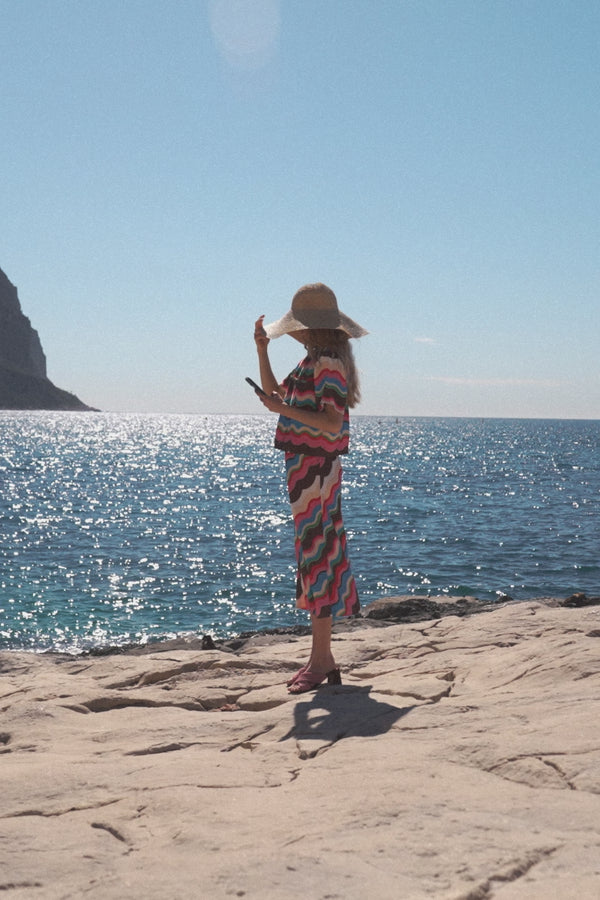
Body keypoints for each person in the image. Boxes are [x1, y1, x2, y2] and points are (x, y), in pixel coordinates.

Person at [252, 283, 367, 694]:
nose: (294, 333)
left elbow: (332, 423)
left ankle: (322, 661)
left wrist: (282, 409)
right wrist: (262, 351)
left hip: (316, 472)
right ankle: (321, 658)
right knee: (314, 559)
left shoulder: (329, 363)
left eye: (297, 326)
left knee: (319, 560)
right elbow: (276, 394)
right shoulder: (314, 361)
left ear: (312, 328)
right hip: (306, 473)